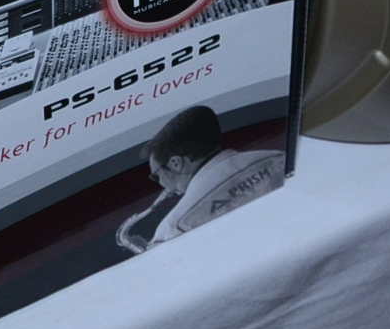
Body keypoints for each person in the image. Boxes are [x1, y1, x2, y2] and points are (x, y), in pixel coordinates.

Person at [115, 106, 284, 256]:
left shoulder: (173, 228)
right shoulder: (279, 157)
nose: (160, 184)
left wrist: (149, 254)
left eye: (156, 175)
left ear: (176, 163)